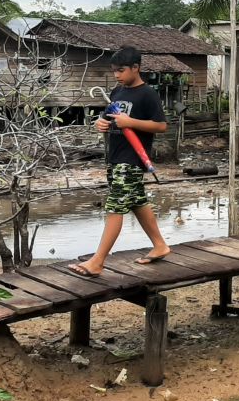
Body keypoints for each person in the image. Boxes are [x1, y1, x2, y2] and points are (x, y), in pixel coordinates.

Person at [69, 45, 171, 276]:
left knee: (115, 206)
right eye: (114, 71)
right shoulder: (117, 92)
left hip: (132, 159)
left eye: (121, 70)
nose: (117, 75)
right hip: (114, 157)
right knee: (136, 201)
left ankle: (97, 261)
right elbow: (108, 120)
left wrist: (131, 122)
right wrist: (101, 124)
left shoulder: (147, 94)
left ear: (136, 68)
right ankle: (160, 245)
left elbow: (162, 126)